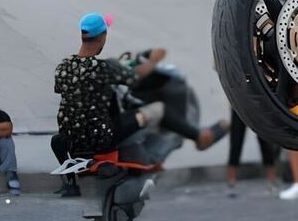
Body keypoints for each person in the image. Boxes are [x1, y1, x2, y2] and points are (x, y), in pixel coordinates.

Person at [54, 13, 227, 159]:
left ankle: (71, 184)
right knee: (158, 109)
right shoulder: (106, 68)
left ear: (82, 35)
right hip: (102, 138)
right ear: (102, 37)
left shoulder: (63, 67)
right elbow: (135, 77)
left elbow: (66, 88)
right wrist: (153, 60)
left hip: (72, 138)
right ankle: (201, 137)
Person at [226, 110, 279, 195]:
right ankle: (231, 181)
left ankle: (272, 180)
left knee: (265, 139)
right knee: (236, 138)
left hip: (256, 101)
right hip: (240, 101)